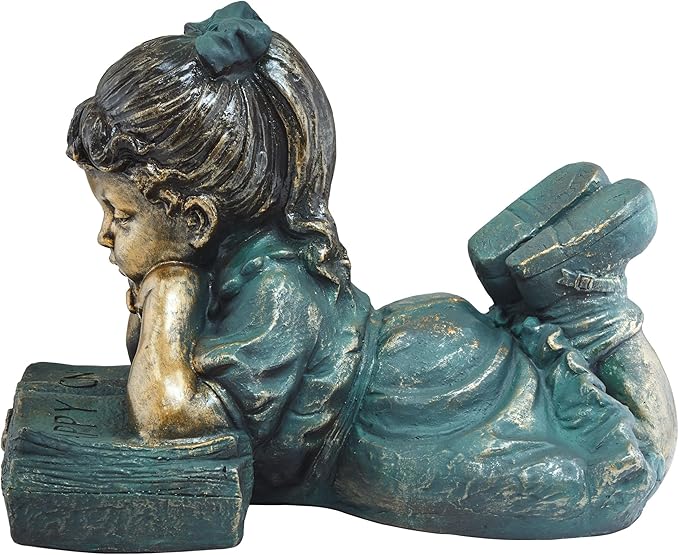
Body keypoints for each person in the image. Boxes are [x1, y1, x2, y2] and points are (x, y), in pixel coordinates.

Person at [66, 1, 676, 539]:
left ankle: (587, 298)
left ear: (198, 219)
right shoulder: (235, 267)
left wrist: (170, 290)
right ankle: (537, 291)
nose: (104, 234)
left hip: (403, 411)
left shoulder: (276, 291)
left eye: (121, 214)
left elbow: (173, 419)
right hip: (408, 360)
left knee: (617, 477)